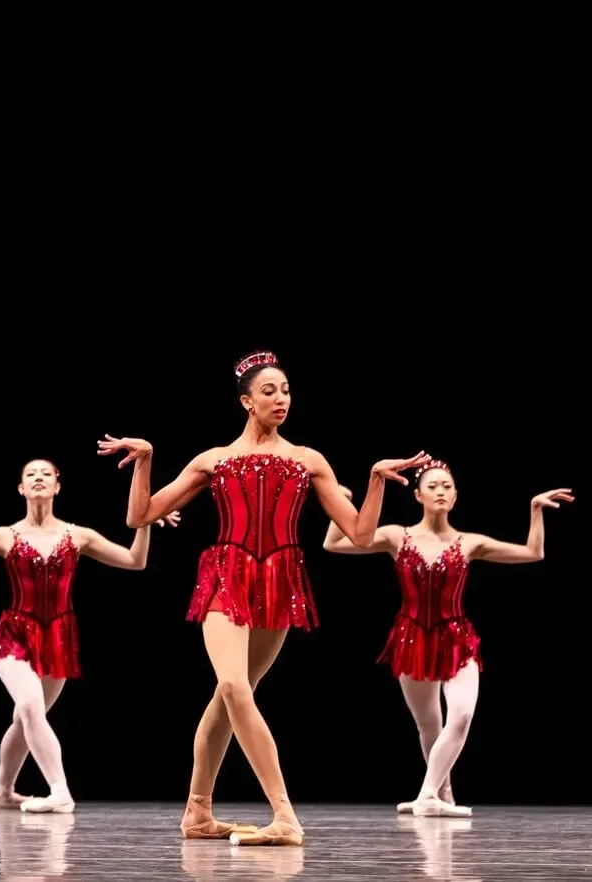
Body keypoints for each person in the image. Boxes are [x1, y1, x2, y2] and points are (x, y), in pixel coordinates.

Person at [98, 350, 428, 846]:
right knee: (234, 686)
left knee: (231, 695)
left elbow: (360, 534)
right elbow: (139, 515)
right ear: (246, 401)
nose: (281, 399)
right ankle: (284, 814)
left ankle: (197, 813)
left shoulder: (307, 459)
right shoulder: (214, 459)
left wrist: (376, 481)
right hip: (226, 574)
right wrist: (145, 460)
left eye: (286, 390)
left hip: (278, 579)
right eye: (269, 391)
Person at [0, 458, 176, 813]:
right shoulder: (2, 536)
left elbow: (135, 560)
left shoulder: (79, 535)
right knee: (30, 707)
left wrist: (145, 523)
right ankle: (60, 791)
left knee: (26, 718)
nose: (38, 478)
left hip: (59, 635)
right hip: (14, 632)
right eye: (31, 474)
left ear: (57, 487)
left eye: (46, 474)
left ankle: (3, 792)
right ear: (21, 488)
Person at [322, 461, 571, 816]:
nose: (440, 491)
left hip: (456, 640)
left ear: (455, 497)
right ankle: (444, 796)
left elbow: (533, 553)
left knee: (462, 715)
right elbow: (333, 543)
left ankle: (426, 797)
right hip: (412, 639)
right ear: (418, 495)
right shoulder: (396, 536)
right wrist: (341, 503)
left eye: (447, 486)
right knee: (429, 725)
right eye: (433, 486)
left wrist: (535, 511)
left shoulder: (469, 542)